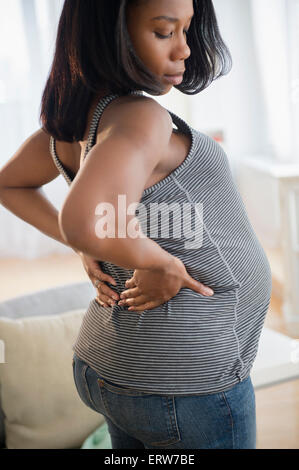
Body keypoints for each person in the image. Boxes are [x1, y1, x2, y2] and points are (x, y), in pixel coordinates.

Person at [0, 0, 272, 449]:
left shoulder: (72, 123)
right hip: (182, 381)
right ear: (111, 36)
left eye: (186, 30)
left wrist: (89, 244)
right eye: (164, 32)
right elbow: (84, 220)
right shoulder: (142, 117)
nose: (184, 49)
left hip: (116, 366)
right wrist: (157, 261)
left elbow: (11, 186)